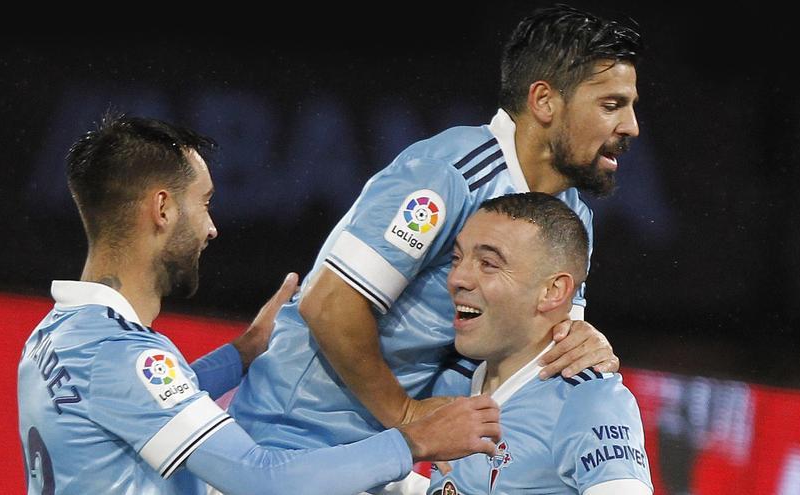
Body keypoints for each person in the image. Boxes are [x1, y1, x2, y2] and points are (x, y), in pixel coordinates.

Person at [230, 4, 640, 491]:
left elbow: (542, 350)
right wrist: (407, 416)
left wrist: (582, 340)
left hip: (383, 463)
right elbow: (329, 304)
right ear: (545, 102)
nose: (631, 125)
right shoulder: (446, 175)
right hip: (291, 447)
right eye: (611, 105)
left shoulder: (572, 221)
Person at [16, 114, 504, 495]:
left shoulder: (56, 334)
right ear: (163, 209)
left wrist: (242, 354)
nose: (211, 228)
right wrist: (416, 438)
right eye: (203, 203)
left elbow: (137, 402)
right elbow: (263, 480)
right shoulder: (123, 356)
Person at [428, 192, 652, 495]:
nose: (458, 278)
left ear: (552, 291)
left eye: (488, 263)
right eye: (457, 258)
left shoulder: (590, 400)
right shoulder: (452, 383)